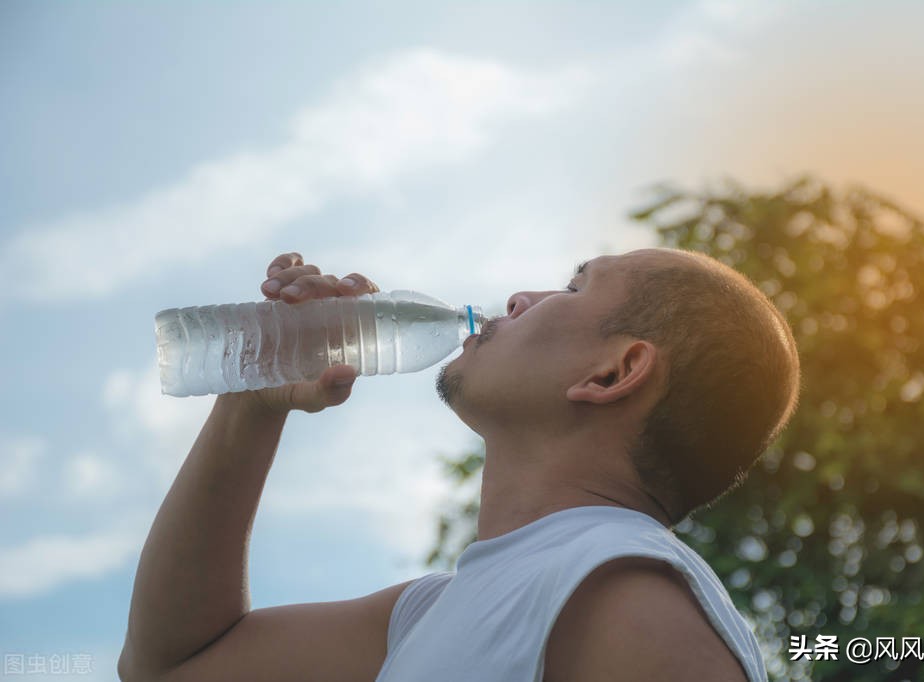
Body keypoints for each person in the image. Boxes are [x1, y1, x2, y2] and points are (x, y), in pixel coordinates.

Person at [118, 247, 800, 682]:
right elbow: (171, 665)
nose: (517, 300)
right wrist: (252, 404)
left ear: (613, 372)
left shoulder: (620, 593)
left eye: (573, 284)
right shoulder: (428, 615)